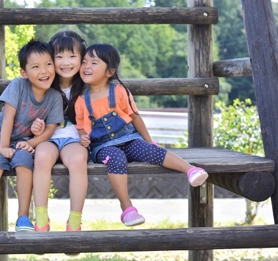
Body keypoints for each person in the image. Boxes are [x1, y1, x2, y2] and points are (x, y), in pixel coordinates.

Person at [75, 43, 209, 227]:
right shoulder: (81, 100)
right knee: (116, 158)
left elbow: (135, 118)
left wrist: (148, 141)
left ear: (109, 72)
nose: (87, 66)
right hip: (102, 147)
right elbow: (81, 127)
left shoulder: (119, 91)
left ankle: (190, 170)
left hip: (129, 138)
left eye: (94, 62)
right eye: (84, 62)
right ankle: (127, 208)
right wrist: (83, 138)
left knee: (150, 151)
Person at [0, 39, 64, 232]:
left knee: (24, 165)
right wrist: (4, 146)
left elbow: (50, 129)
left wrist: (30, 142)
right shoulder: (18, 85)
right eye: (36, 67)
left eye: (48, 64)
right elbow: (8, 117)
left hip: (24, 143)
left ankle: (23, 217)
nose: (44, 71)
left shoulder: (54, 97)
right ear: (24, 72)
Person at [30, 31, 88, 234]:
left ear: (82, 58)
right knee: (42, 156)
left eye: (72, 56)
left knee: (79, 159)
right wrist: (34, 127)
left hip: (74, 138)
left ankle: (74, 221)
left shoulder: (87, 85)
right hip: (48, 137)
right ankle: (41, 219)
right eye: (59, 56)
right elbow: (29, 112)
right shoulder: (43, 83)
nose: (66, 62)